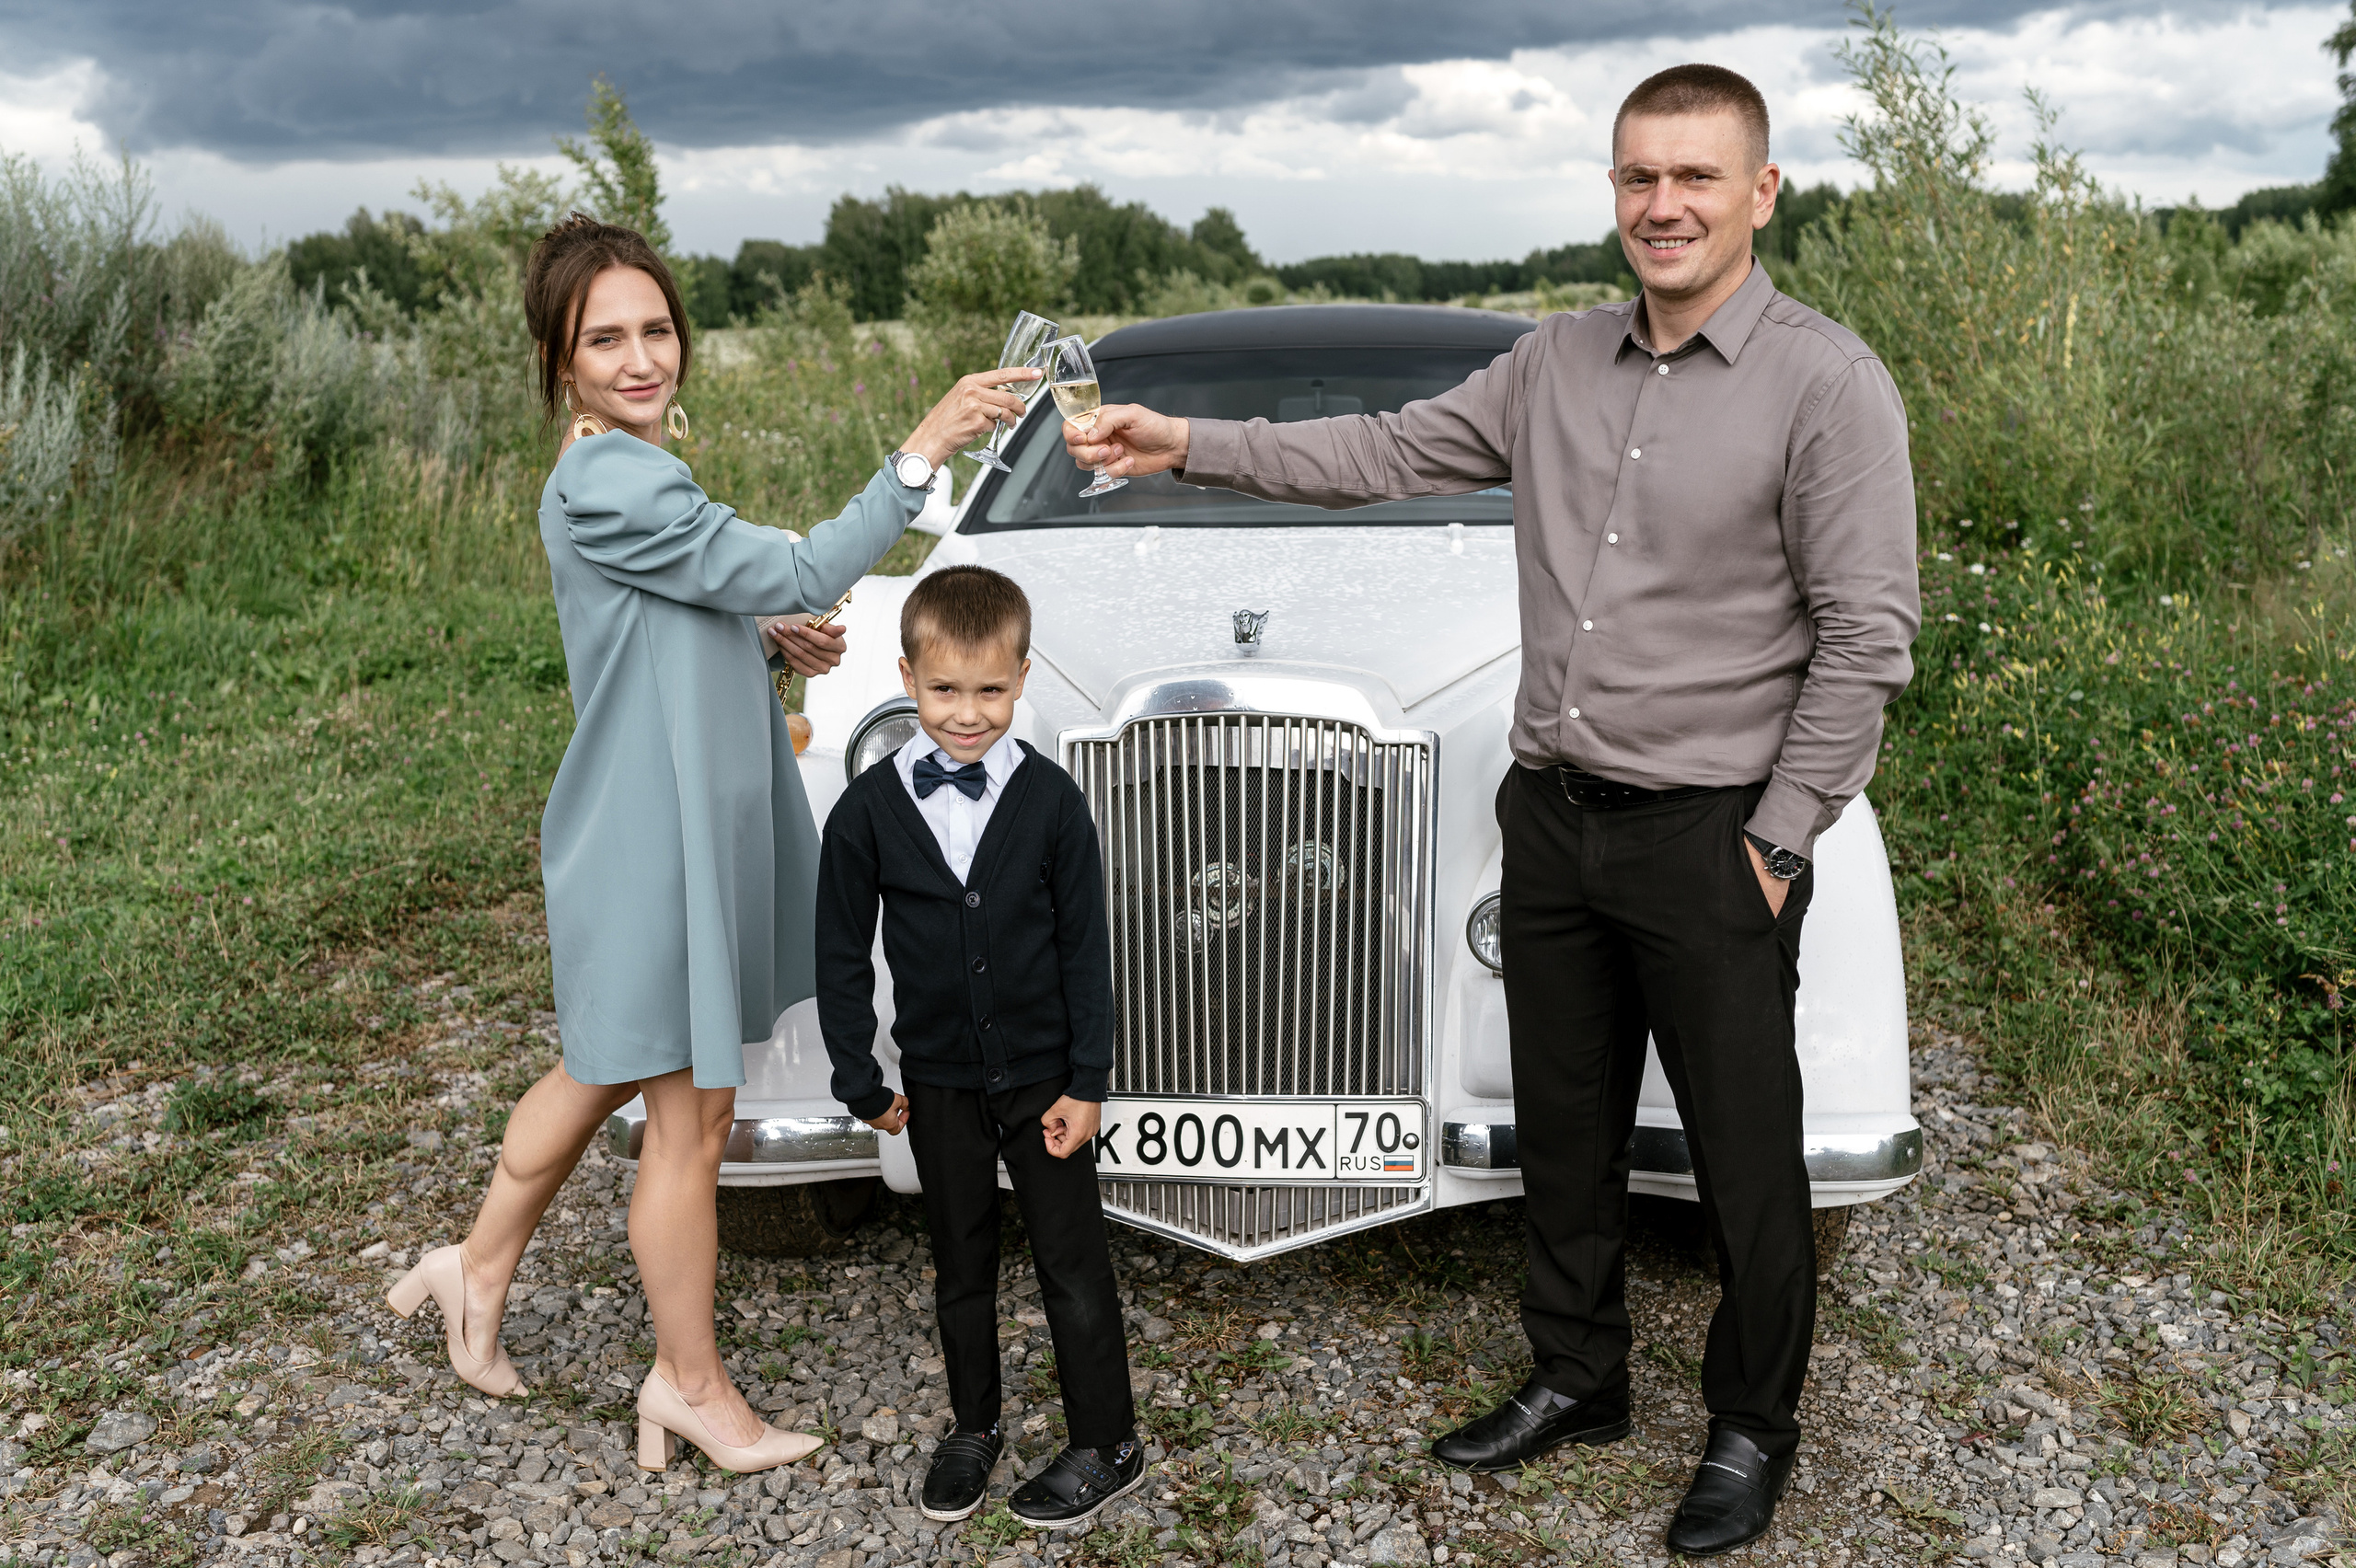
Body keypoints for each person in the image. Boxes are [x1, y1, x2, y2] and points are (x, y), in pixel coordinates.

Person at [1064, 65, 1920, 1556]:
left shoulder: (1827, 383)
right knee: (1567, 1128)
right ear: (1614, 190)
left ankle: (1751, 1424)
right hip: (1555, 816)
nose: (1665, 204)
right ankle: (1578, 1375)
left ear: (1761, 192)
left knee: (1743, 1150)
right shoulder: (1554, 364)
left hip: (1712, 831)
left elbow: (1866, 634)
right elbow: (1382, 452)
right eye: (1641, 176)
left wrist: (1781, 835)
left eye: (1698, 177)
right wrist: (1187, 442)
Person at [387, 213, 1031, 1476]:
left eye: (657, 329)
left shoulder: (613, 470)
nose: (642, 359)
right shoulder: (618, 474)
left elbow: (677, 615)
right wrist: (925, 447)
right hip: (656, 830)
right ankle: (687, 1383)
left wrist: (760, 638)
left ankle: (473, 1266)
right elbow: (800, 556)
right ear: (559, 361)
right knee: (692, 1115)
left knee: (604, 1069)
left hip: (658, 815)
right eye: (606, 339)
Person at [814, 565, 1142, 1529]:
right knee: (958, 1258)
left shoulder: (1050, 802)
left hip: (1043, 1081)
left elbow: (1086, 944)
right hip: (939, 1083)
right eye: (946, 690)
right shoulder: (867, 812)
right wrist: (856, 1075)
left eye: (990, 690)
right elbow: (838, 951)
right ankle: (973, 1426)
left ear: (1022, 677)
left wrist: (1088, 1080)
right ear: (908, 677)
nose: (968, 714)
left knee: (1069, 1260)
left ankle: (1106, 1441)